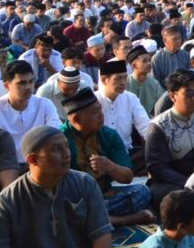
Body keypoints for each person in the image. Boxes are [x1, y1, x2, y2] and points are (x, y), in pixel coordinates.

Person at [0, 126, 114, 248]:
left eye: (66, 146)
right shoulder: (7, 201)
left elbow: (101, 234)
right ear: (33, 159)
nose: (67, 154)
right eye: (56, 149)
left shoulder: (85, 183)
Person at [60, 87, 155, 226]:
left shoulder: (108, 135)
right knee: (65, 209)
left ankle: (96, 219)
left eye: (100, 109)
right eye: (95, 112)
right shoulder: (59, 139)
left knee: (142, 192)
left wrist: (110, 166)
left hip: (104, 196)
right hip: (75, 200)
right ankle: (125, 220)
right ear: (76, 119)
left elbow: (128, 177)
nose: (101, 114)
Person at [147, 70, 194, 212]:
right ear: (172, 96)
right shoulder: (159, 126)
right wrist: (189, 183)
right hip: (175, 182)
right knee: (177, 199)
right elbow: (157, 168)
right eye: (189, 93)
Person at [96, 59, 150, 170]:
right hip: (100, 156)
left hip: (126, 153)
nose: (123, 82)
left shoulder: (130, 98)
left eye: (125, 77)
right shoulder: (93, 100)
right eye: (118, 79)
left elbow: (146, 127)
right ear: (104, 80)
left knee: (153, 155)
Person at [0, 60, 59, 159]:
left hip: (40, 162)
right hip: (6, 165)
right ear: (6, 86)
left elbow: (56, 133)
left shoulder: (44, 104)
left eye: (31, 81)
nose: (28, 87)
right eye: (21, 83)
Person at [127, 44, 164, 116]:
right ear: (134, 65)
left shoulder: (154, 84)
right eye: (144, 61)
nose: (149, 63)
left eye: (149, 60)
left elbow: (161, 104)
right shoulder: (125, 83)